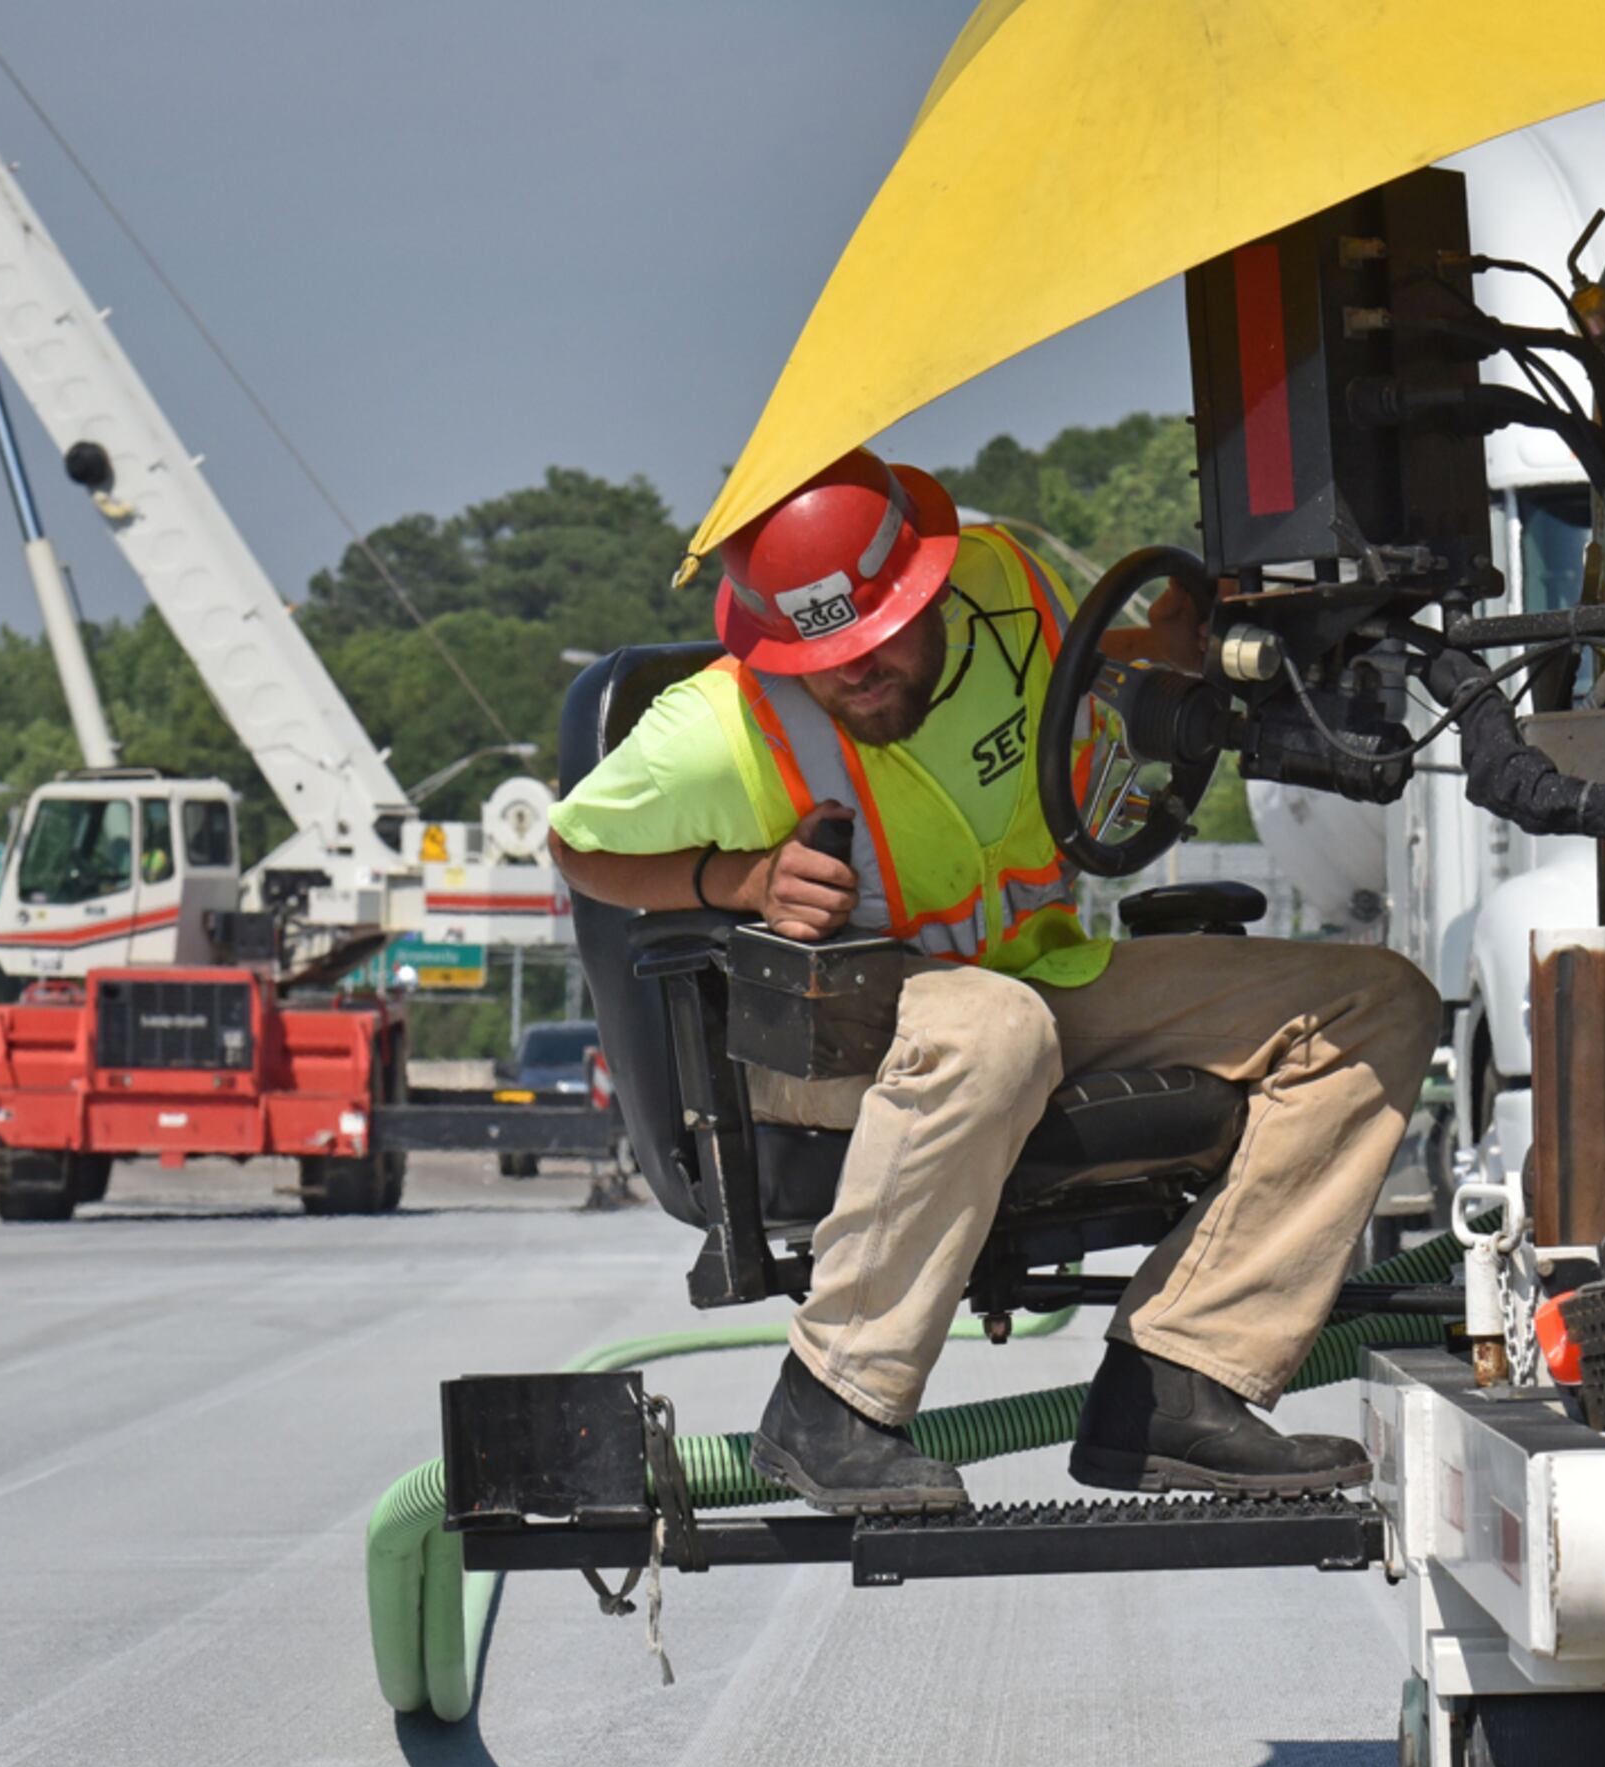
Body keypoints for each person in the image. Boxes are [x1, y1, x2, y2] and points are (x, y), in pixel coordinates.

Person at [549, 448, 1439, 1514]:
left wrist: (1154, 654)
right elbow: (579, 847)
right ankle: (830, 1404)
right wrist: (737, 877)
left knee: (1375, 1003)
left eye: (876, 642)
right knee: (993, 1028)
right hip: (834, 1031)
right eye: (818, 656)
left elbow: (1070, 675)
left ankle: (1181, 1381)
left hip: (1035, 978)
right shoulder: (710, 730)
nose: (853, 674)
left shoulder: (1008, 584)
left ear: (928, 589)